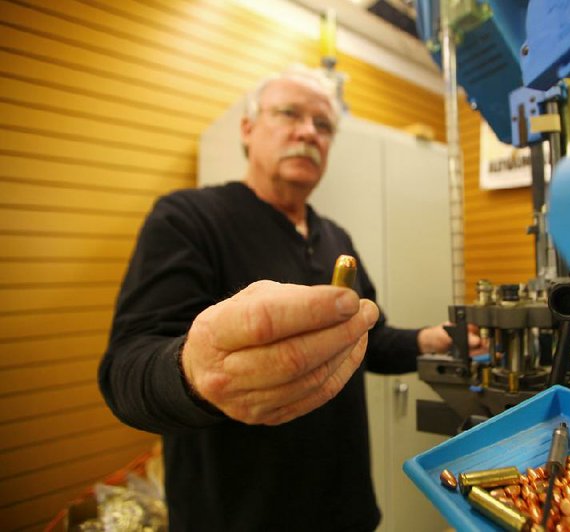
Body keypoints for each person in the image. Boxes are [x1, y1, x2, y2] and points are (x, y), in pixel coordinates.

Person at [98, 64, 481, 531]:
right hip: (234, 517)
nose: (308, 133)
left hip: (345, 510)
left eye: (323, 126)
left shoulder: (334, 236)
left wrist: (431, 338)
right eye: (289, 114)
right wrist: (194, 370)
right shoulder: (187, 218)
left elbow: (369, 342)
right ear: (248, 128)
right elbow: (124, 370)